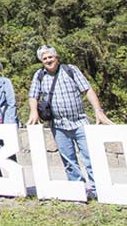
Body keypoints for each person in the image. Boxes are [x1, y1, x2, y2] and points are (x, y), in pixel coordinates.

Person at [28, 44, 113, 199]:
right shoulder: (39, 75)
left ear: (56, 57)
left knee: (90, 157)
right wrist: (34, 112)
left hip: (80, 122)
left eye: (50, 57)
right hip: (58, 125)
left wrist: (99, 111)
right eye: (44, 58)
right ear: (41, 61)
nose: (48, 60)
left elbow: (87, 90)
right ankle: (78, 191)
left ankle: (98, 191)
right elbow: (33, 95)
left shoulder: (71, 70)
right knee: (69, 161)